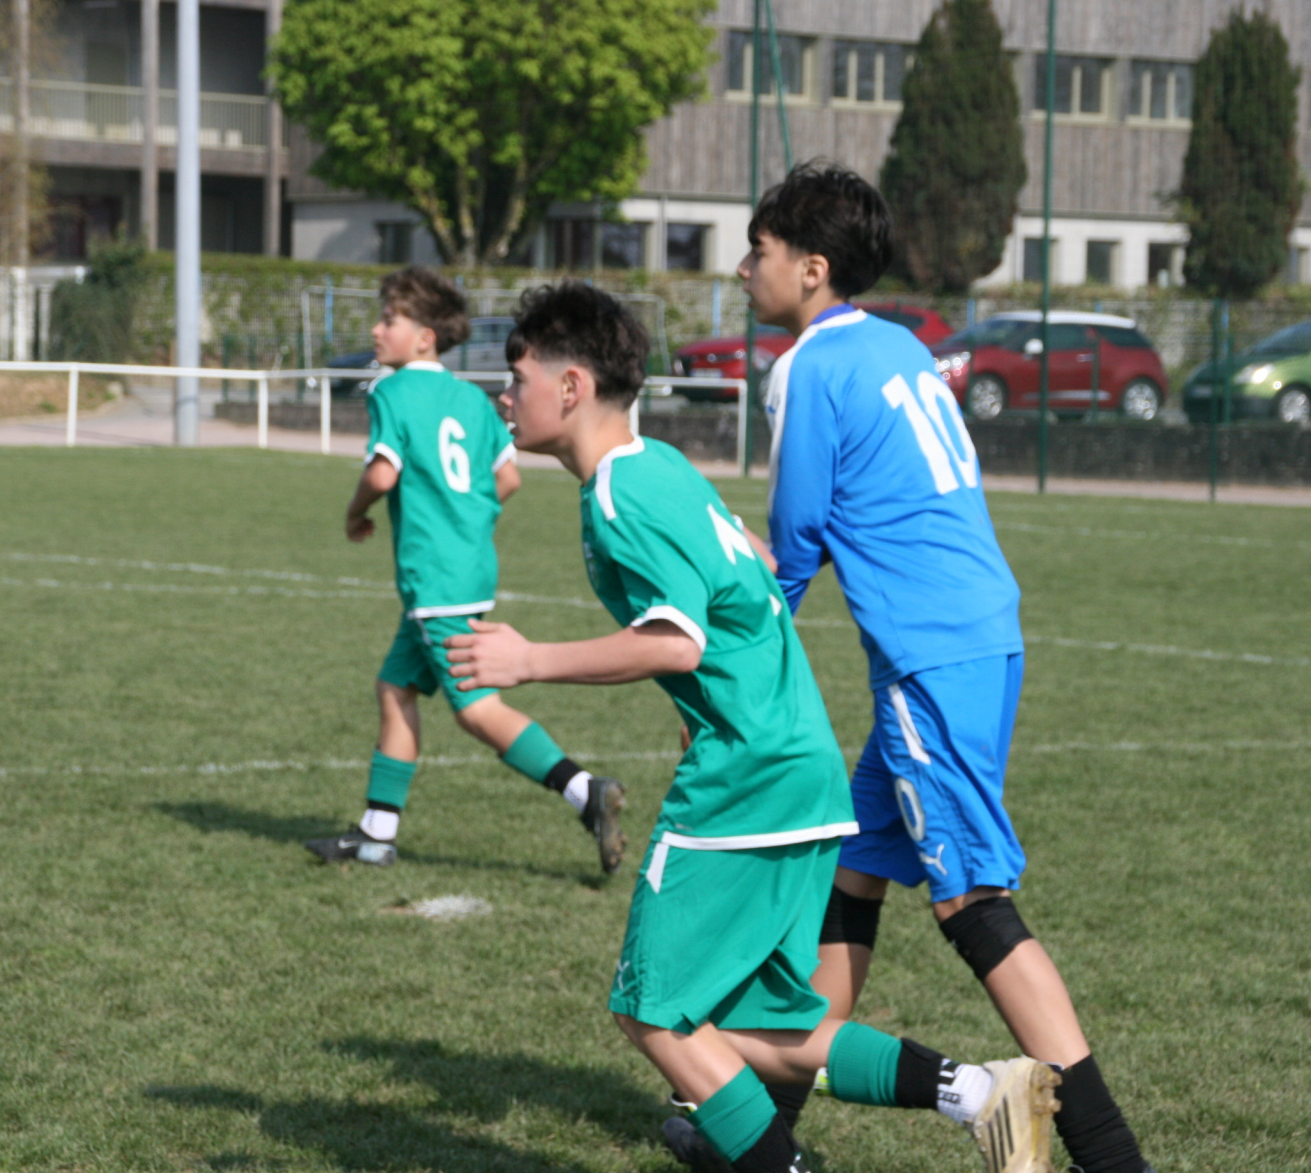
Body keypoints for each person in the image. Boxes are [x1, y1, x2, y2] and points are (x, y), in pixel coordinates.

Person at [446, 281, 1060, 1173]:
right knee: (761, 1024)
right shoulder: (659, 467)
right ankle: (980, 1093)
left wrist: (529, 659)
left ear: (570, 387)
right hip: (801, 769)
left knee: (650, 1011)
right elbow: (752, 582)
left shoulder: (621, 494)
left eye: (516, 377)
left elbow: (676, 641)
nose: (504, 397)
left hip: (745, 778)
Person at [748, 162, 1152, 1173]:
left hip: (929, 653)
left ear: (811, 267)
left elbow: (795, 540)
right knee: (854, 867)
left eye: (757, 252)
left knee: (969, 898)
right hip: (980, 632)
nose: (744, 271)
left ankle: (1112, 1159)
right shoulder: (897, 344)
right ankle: (764, 1131)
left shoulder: (808, 365)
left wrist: (743, 661)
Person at [304, 267, 625, 872]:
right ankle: (376, 834)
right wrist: (466, 520)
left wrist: (355, 512)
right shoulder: (473, 400)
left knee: (476, 709)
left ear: (424, 337)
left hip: (435, 581)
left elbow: (382, 474)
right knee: (395, 687)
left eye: (389, 320)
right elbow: (508, 478)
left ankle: (584, 791)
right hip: (466, 572)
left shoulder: (393, 393)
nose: (376, 330)